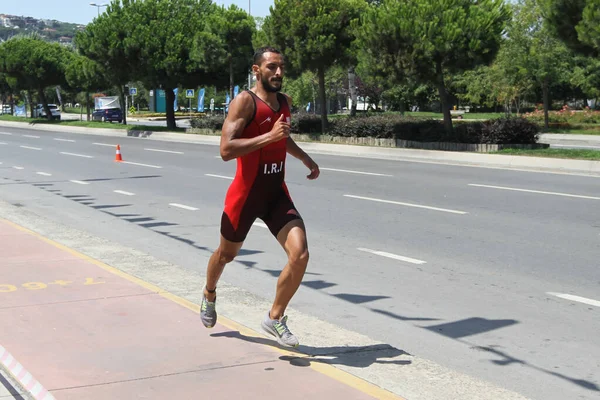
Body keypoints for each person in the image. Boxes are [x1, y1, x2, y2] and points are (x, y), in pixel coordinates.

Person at [200, 46, 320, 348]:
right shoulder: (244, 102)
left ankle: (275, 317)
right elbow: (226, 150)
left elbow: (283, 136)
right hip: (246, 196)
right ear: (257, 70)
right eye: (271, 67)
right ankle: (209, 293)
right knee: (226, 255)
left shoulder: (284, 102)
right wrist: (270, 137)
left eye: (281, 67)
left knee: (300, 254)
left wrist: (305, 158)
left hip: (276, 193)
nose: (278, 73)